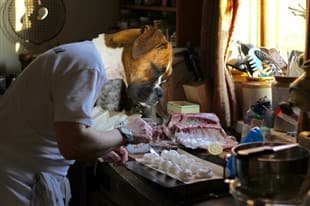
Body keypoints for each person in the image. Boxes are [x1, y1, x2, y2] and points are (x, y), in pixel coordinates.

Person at [0, 37, 153, 205]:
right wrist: (126, 133)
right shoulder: (89, 66)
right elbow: (73, 144)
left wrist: (100, 147)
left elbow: (63, 129)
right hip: (19, 181)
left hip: (20, 169)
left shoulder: (83, 54)